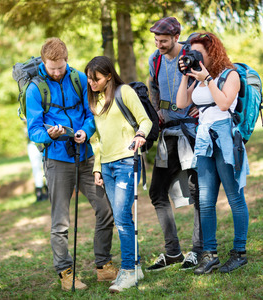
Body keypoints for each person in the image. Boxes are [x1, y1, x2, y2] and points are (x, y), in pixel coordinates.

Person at [25, 38, 117, 291]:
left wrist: (86, 132)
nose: (56, 72)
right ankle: (66, 273)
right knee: (60, 222)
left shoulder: (78, 78)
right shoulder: (34, 89)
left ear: (67, 59)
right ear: (44, 62)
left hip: (85, 156)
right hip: (57, 160)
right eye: (52, 67)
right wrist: (50, 135)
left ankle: (103, 266)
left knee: (105, 209)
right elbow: (33, 130)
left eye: (60, 66)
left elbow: (90, 113)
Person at [176, 32, 250, 274]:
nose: (194, 56)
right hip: (204, 139)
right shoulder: (197, 77)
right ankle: (210, 255)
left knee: (234, 197)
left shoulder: (230, 75)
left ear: (213, 52)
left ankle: (239, 253)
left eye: (199, 52)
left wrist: (207, 78)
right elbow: (181, 104)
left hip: (225, 139)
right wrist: (185, 76)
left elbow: (224, 104)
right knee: (205, 202)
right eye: (192, 52)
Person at [85, 56, 152, 293]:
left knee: (122, 219)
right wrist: (97, 168)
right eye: (89, 79)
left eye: (97, 79)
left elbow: (145, 120)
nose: (92, 83)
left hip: (126, 161)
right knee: (121, 218)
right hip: (107, 167)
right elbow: (98, 140)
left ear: (109, 76)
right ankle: (137, 265)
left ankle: (128, 271)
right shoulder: (96, 100)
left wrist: (140, 135)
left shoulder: (124, 92)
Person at [146, 17, 203, 272]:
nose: (159, 45)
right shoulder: (155, 59)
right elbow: (152, 85)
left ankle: (199, 250)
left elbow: (211, 79)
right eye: (156, 40)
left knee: (199, 191)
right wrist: (156, 109)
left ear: (176, 36)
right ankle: (173, 252)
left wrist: (204, 108)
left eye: (164, 41)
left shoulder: (192, 55)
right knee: (157, 191)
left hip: (192, 132)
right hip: (168, 133)